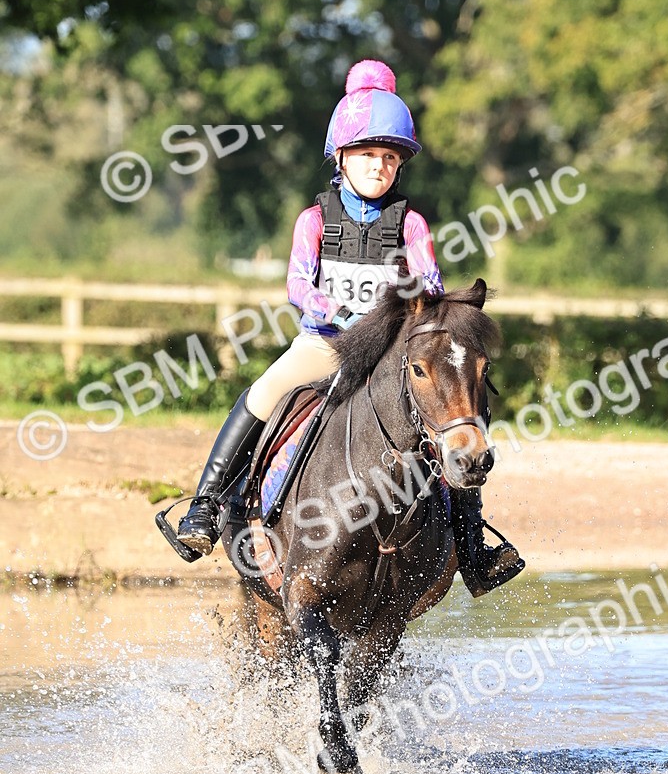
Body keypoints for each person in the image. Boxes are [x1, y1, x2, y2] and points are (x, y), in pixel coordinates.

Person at [173, 59, 524, 595]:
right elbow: (296, 282)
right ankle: (204, 506)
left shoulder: (411, 224)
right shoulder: (314, 220)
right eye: (368, 155)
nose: (379, 166)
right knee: (264, 393)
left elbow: (428, 278)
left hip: (390, 353)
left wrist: (421, 299)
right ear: (342, 157)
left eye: (389, 157)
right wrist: (333, 310)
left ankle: (472, 547)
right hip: (328, 345)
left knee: (458, 414)